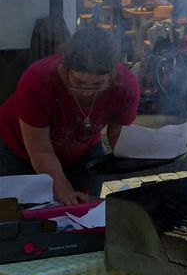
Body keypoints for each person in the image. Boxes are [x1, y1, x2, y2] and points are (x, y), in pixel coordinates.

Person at [0, 26, 140, 204]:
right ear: (64, 66)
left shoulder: (125, 86)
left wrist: (142, 156)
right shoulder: (37, 81)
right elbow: (40, 151)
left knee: (84, 210)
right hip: (18, 149)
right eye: (78, 82)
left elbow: (116, 133)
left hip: (82, 148)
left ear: (112, 74)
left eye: (97, 84)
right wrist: (64, 191)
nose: (87, 92)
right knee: (25, 213)